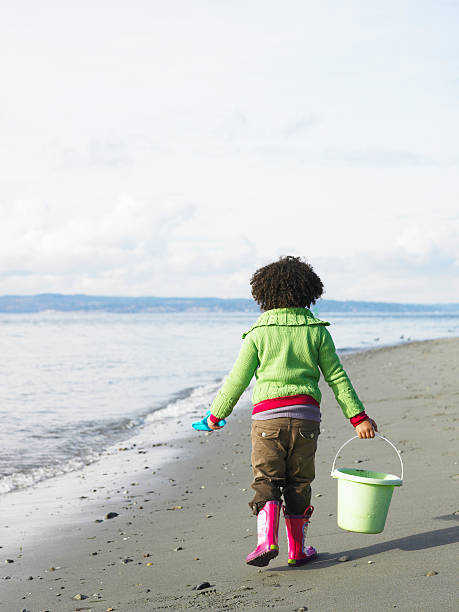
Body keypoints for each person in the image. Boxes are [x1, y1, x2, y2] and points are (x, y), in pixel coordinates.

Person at [207, 256, 378, 567]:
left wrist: (216, 415)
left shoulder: (258, 333)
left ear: (263, 295)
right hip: (306, 420)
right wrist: (359, 418)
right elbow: (337, 377)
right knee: (299, 482)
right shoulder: (317, 332)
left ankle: (265, 540)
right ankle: (297, 550)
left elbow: (237, 379)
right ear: (309, 292)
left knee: (267, 478)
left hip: (266, 421)